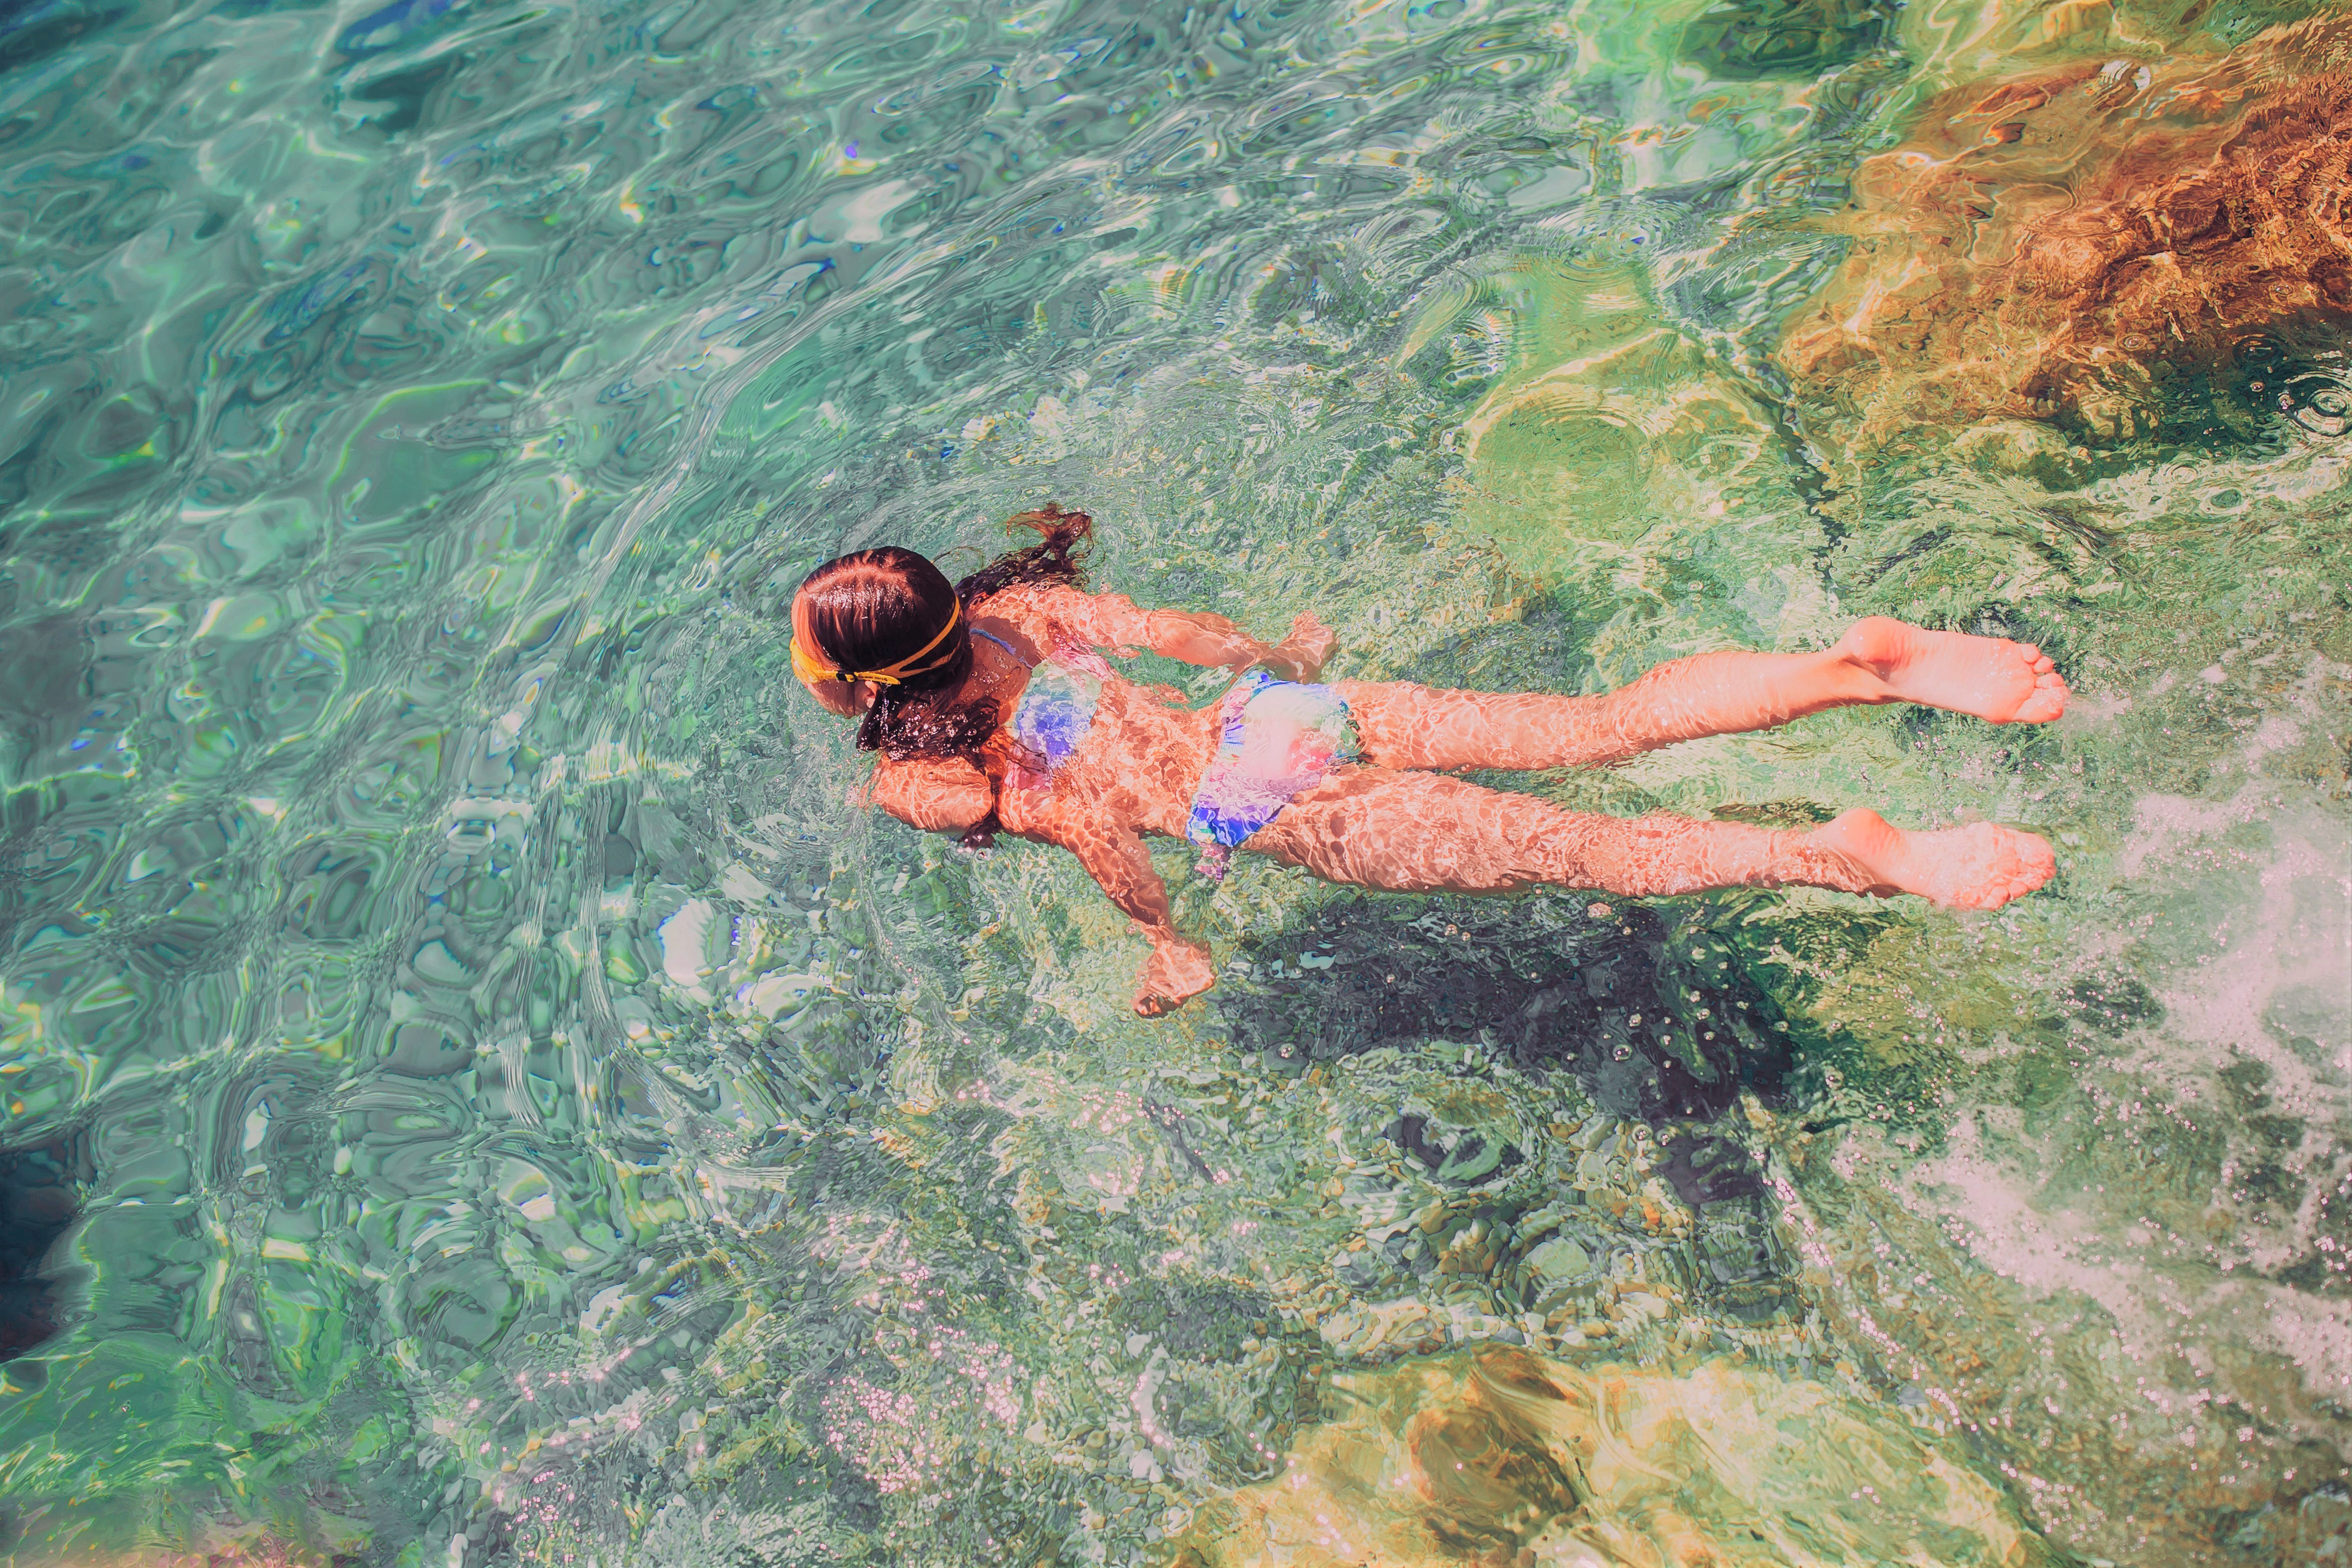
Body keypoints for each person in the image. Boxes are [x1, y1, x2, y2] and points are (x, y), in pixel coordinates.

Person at [789, 506, 2065, 1017]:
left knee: (1593, 852)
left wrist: (1162, 936)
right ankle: (1849, 667)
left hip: (1249, 804)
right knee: (1602, 724)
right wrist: (1275, 653)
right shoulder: (1025, 614)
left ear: (869, 679)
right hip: (1277, 720)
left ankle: (1849, 859)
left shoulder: (927, 773)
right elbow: (1177, 636)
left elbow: (1086, 830)